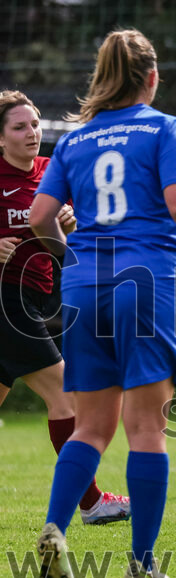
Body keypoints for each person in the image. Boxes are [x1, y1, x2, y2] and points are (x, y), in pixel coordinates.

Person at [30, 29, 176, 578]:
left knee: (91, 426)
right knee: (147, 428)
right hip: (143, 282)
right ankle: (143, 564)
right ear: (151, 77)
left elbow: (39, 217)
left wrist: (73, 256)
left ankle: (57, 529)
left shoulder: (74, 140)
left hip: (82, 288)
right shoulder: (163, 127)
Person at [0, 90, 131, 525]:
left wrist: (69, 224)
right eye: (19, 127)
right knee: (65, 395)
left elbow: (67, 237)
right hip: (6, 299)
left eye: (35, 123)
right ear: (1, 138)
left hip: (36, 297)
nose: (31, 133)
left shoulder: (50, 172)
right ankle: (91, 501)